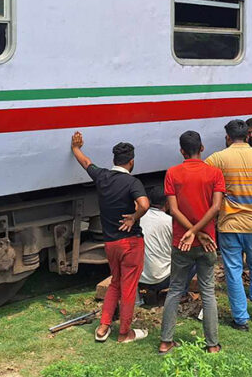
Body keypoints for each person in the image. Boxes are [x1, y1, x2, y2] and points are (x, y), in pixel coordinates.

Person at [70, 132, 150, 343]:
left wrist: (76, 148)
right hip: (131, 243)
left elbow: (87, 163)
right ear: (131, 162)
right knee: (129, 287)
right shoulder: (133, 183)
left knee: (115, 282)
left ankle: (103, 327)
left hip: (110, 243)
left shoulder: (102, 176)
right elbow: (144, 205)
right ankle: (125, 333)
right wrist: (133, 217)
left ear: (114, 160)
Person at [205, 119, 252, 331]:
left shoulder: (218, 158)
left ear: (228, 137)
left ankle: (240, 318)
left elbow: (204, 180)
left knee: (233, 269)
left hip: (229, 224)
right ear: (248, 136)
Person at [159, 131, 225, 354]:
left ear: (181, 151)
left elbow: (174, 210)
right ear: (202, 148)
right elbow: (215, 208)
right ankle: (212, 345)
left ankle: (166, 341)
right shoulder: (214, 173)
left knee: (176, 289)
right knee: (208, 292)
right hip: (207, 243)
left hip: (181, 242)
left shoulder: (172, 173)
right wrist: (200, 233)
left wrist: (190, 233)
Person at [138, 190, 173, 301]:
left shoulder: (139, 218)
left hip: (140, 279)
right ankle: (179, 293)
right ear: (167, 203)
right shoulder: (170, 221)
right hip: (162, 280)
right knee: (194, 262)